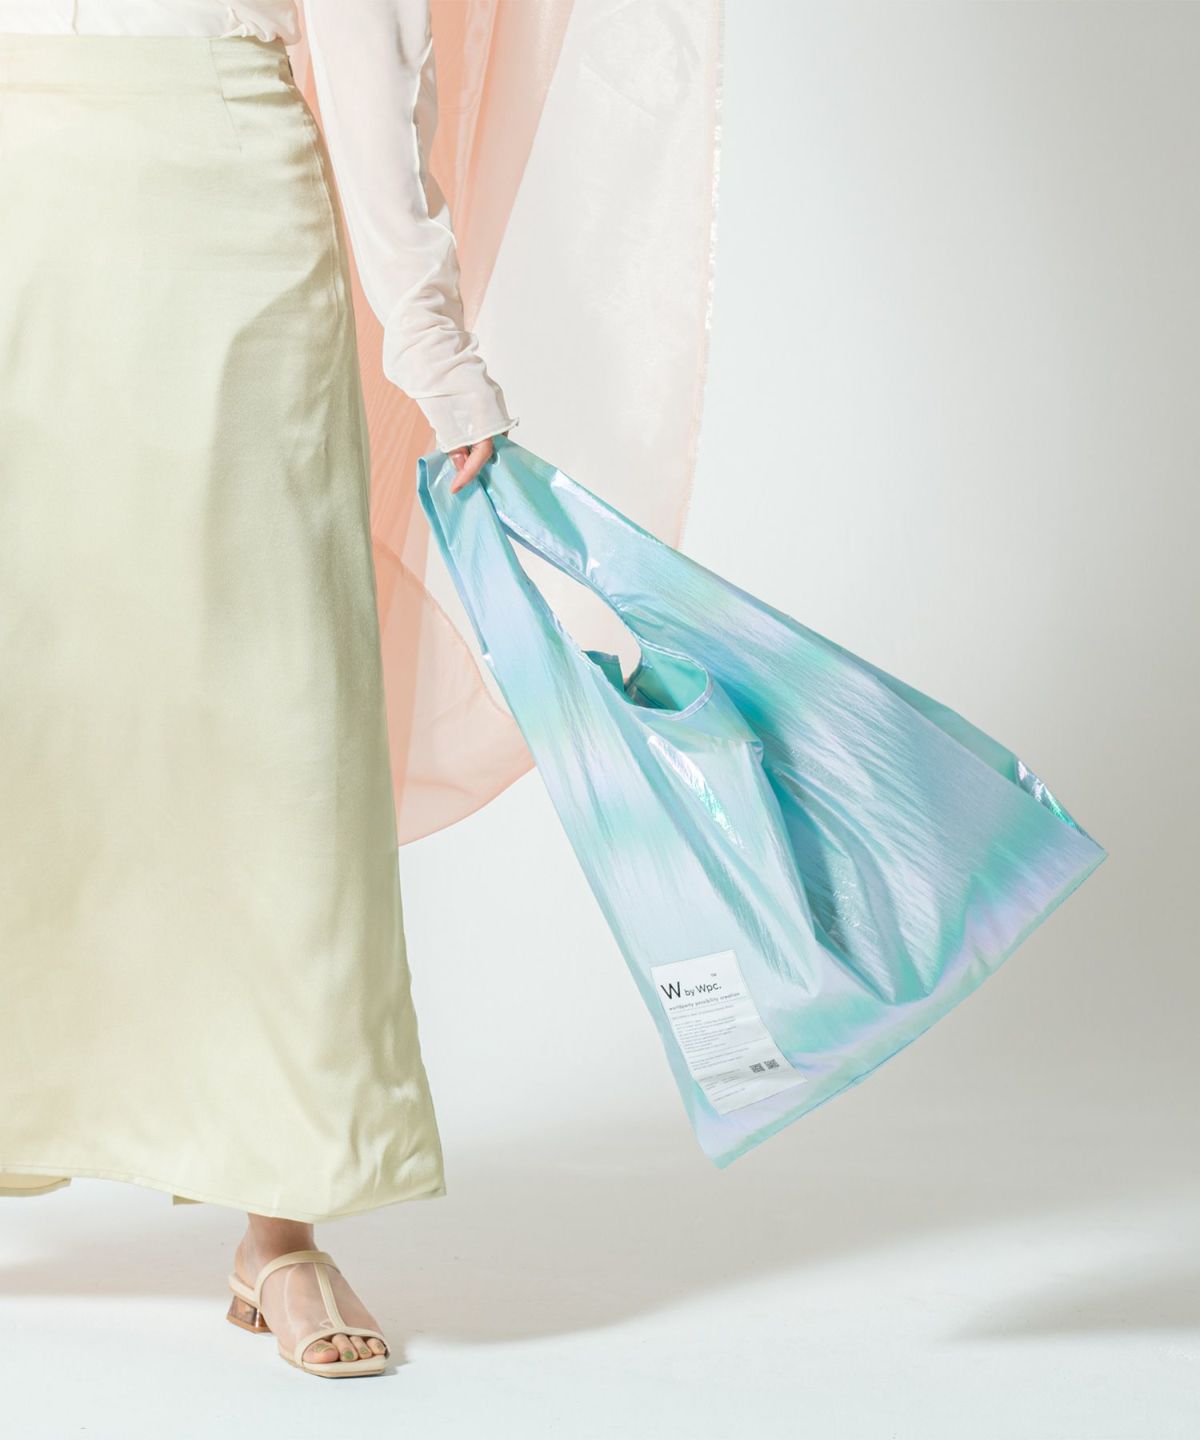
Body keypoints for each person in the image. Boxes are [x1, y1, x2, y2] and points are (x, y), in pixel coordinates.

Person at [0, 0, 515, 1378]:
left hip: (229, 211)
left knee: (280, 712)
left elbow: (368, 40)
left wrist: (431, 340)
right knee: (25, 701)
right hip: (17, 196)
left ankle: (281, 1229)